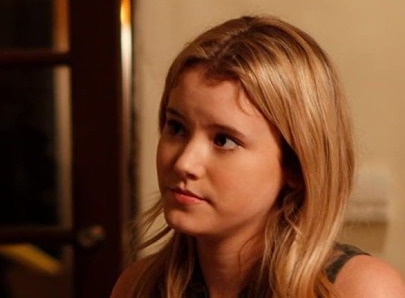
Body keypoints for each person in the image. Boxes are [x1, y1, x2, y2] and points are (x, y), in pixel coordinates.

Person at [111, 16, 405, 297]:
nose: (183, 163)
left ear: (295, 166)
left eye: (223, 140)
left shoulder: (360, 290)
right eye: (176, 127)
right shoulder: (137, 287)